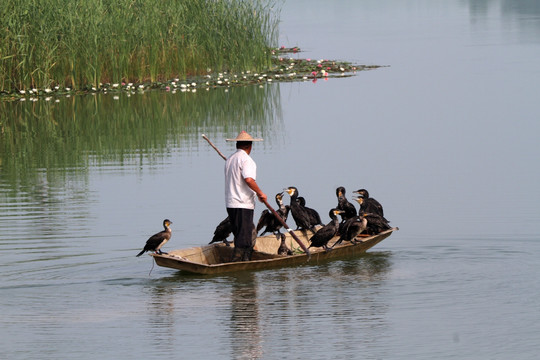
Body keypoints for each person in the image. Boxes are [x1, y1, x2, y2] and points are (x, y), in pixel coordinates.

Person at [225, 131, 267, 261]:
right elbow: (249, 179)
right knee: (244, 238)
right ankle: (237, 263)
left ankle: (246, 260)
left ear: (237, 145)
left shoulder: (230, 159)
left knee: (240, 235)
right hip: (242, 203)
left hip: (231, 203)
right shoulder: (247, 160)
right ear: (250, 146)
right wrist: (260, 193)